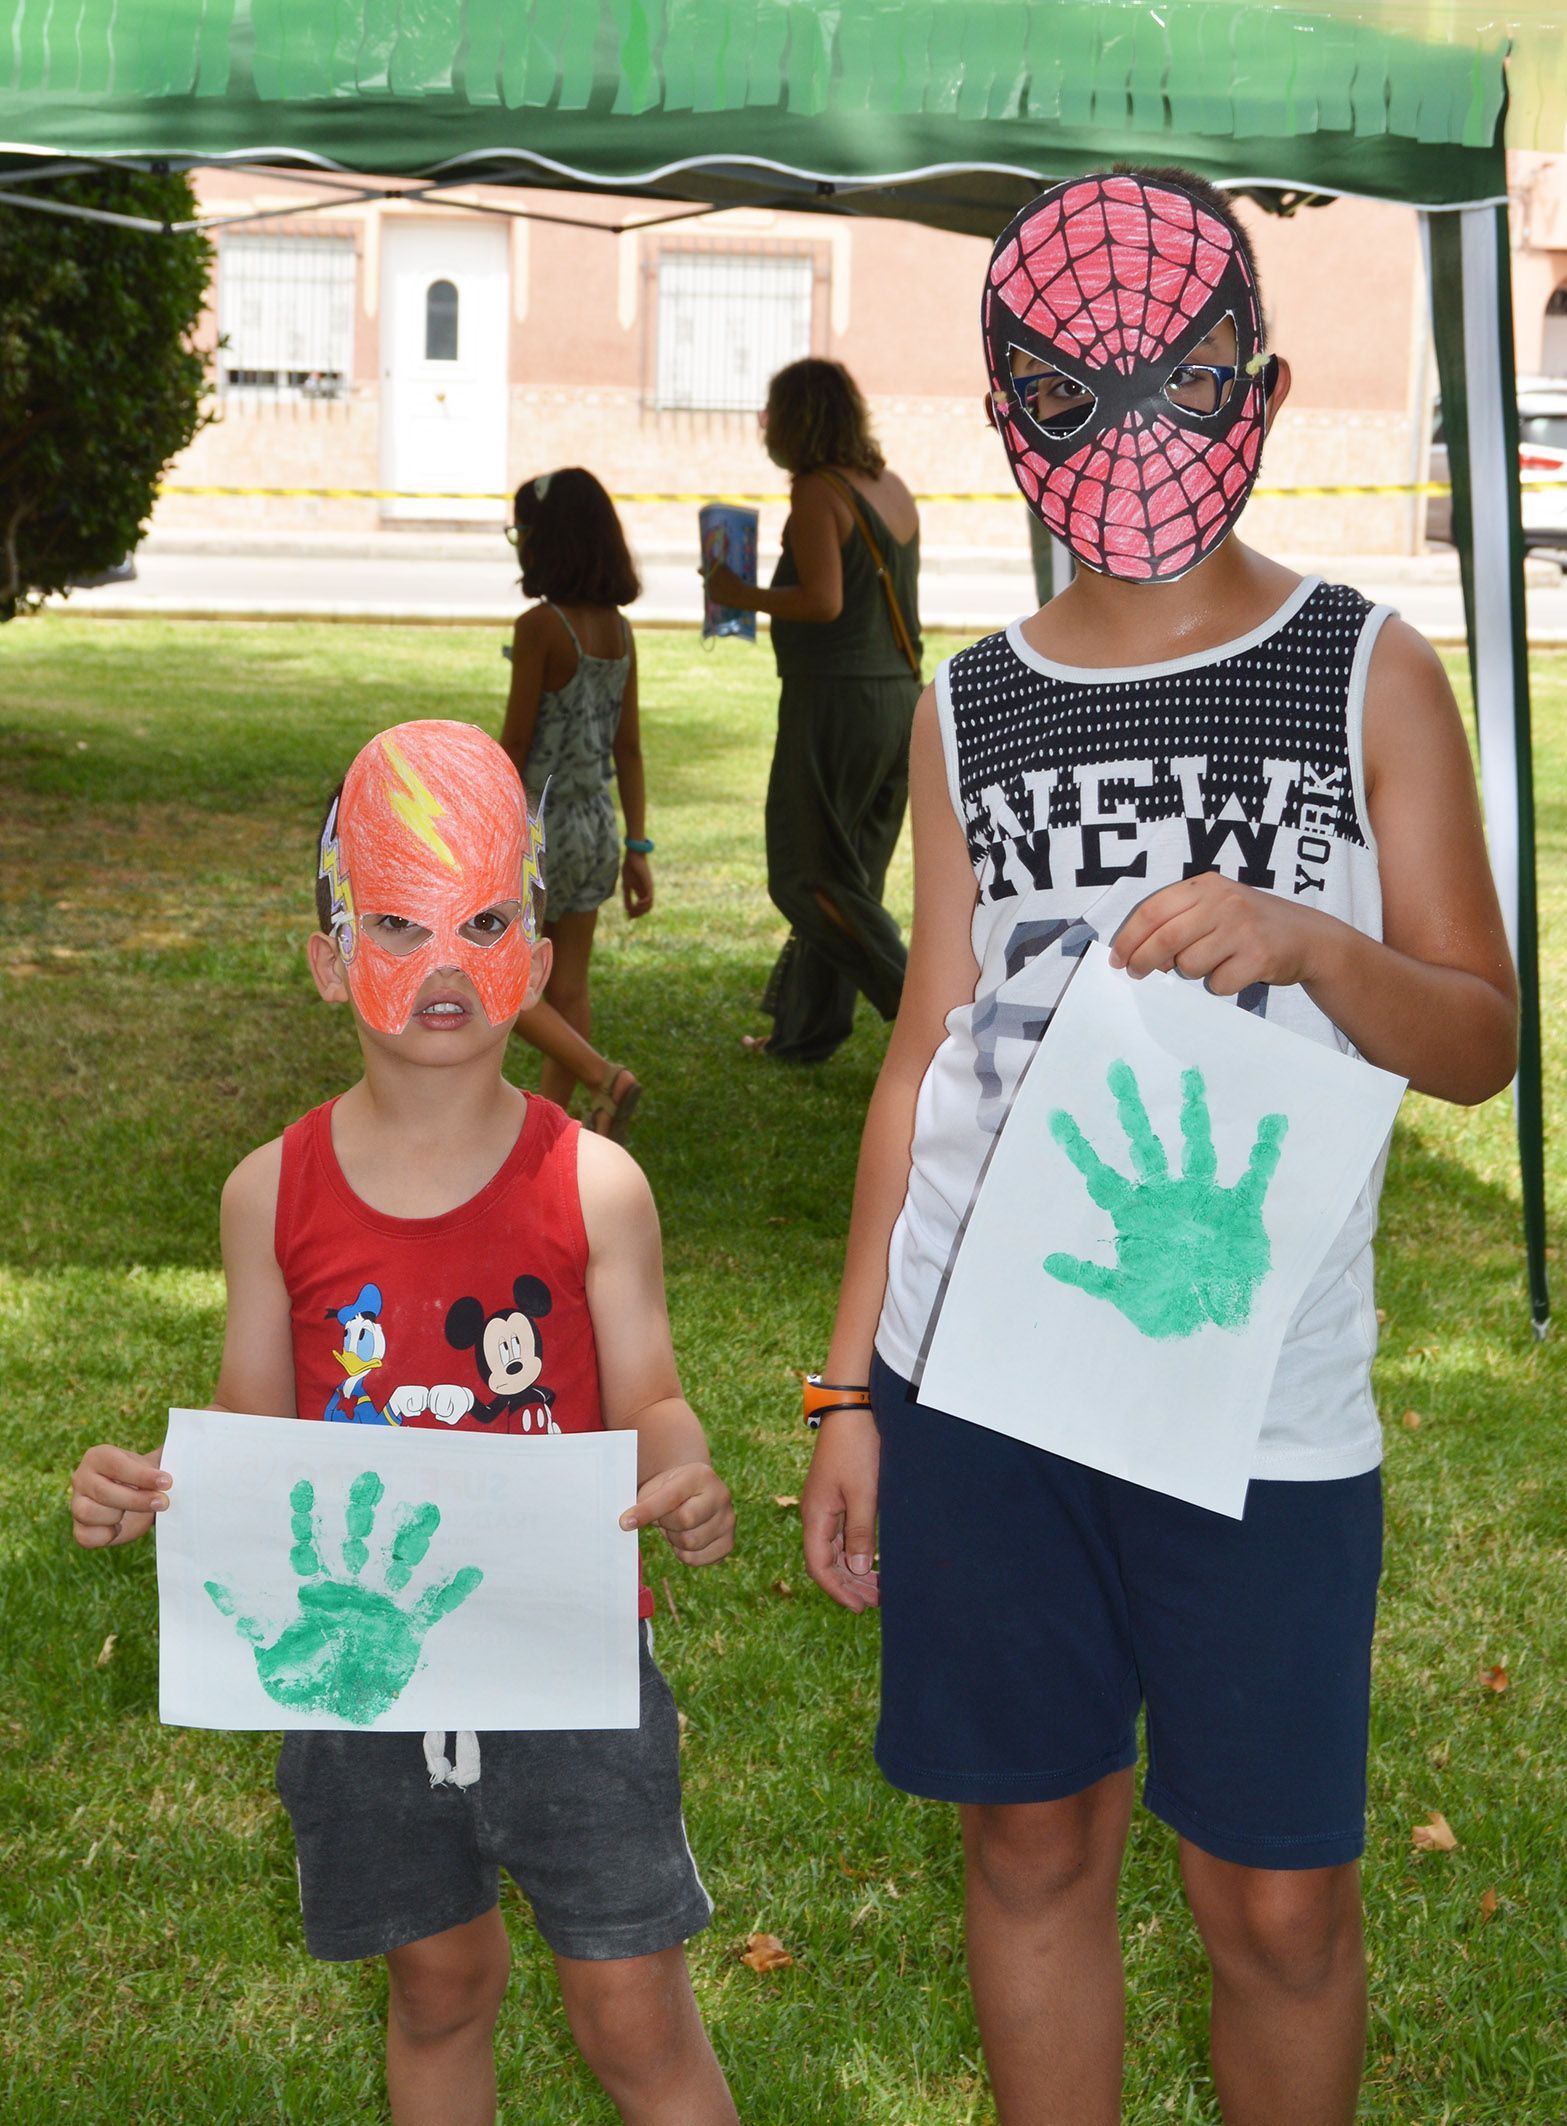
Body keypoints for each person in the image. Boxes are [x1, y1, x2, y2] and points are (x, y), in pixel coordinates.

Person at [801, 168, 1517, 2126]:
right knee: (1029, 1845)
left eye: (1178, 384)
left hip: (1258, 1405)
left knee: (1275, 1900)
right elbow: (919, 1067)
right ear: (1006, 406)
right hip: (988, 1381)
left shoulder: (1367, 668)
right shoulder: (972, 704)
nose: (1131, 434)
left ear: (1261, 390)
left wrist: (1306, 940)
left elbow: (1480, 1040)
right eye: (1073, 391)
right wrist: (849, 1389)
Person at [69, 719, 738, 2126]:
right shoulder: (271, 1190)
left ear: (536, 961)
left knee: (629, 2010)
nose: (442, 962)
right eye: (395, 922)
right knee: (435, 1982)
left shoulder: (596, 1184)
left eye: (483, 920)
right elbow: (252, 1442)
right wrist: (152, 1486)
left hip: (568, 1663)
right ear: (329, 957)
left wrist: (682, 1475)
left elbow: (652, 1397)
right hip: (359, 1679)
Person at [705, 357, 922, 1063]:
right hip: (897, 697)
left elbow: (823, 602)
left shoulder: (815, 493)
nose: (765, 425)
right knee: (849, 876)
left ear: (798, 419)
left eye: (772, 410)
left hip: (833, 699)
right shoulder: (890, 488)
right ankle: (807, 1033)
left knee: (807, 875)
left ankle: (923, 1012)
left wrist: (741, 597)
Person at [502, 468, 651, 1140]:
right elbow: (630, 750)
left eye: (520, 533)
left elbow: (517, 739)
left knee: (501, 971)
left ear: (545, 542)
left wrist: (486, 821)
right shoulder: (619, 633)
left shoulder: (540, 628)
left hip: (534, 825)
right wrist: (637, 847)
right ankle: (565, 1125)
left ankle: (599, 1077)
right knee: (569, 986)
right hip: (595, 826)